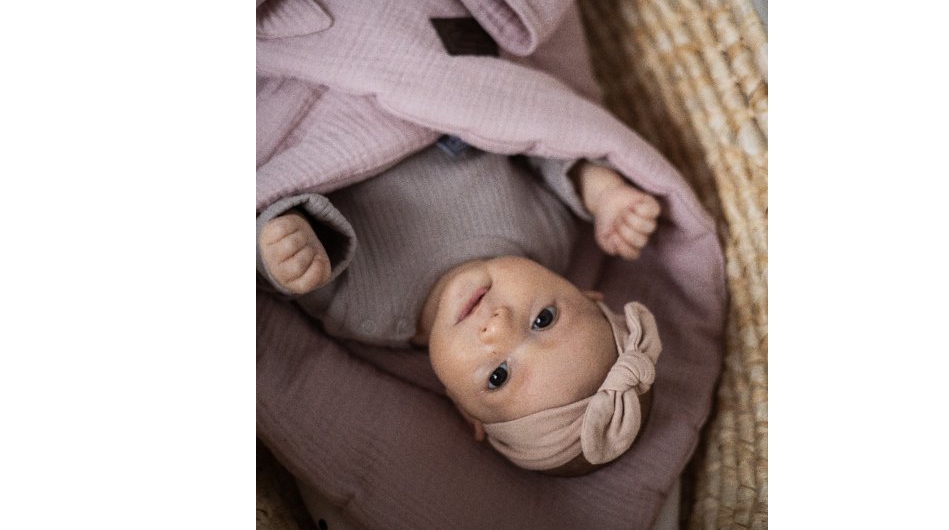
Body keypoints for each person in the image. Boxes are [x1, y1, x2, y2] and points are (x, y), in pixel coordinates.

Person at [256, 142, 664, 473]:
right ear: (584, 293)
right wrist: (601, 191)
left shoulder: (364, 312)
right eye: (543, 319)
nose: (498, 327)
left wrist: (284, 245)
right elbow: (541, 142)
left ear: (461, 406)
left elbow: (276, 269)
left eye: (498, 376)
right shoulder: (550, 233)